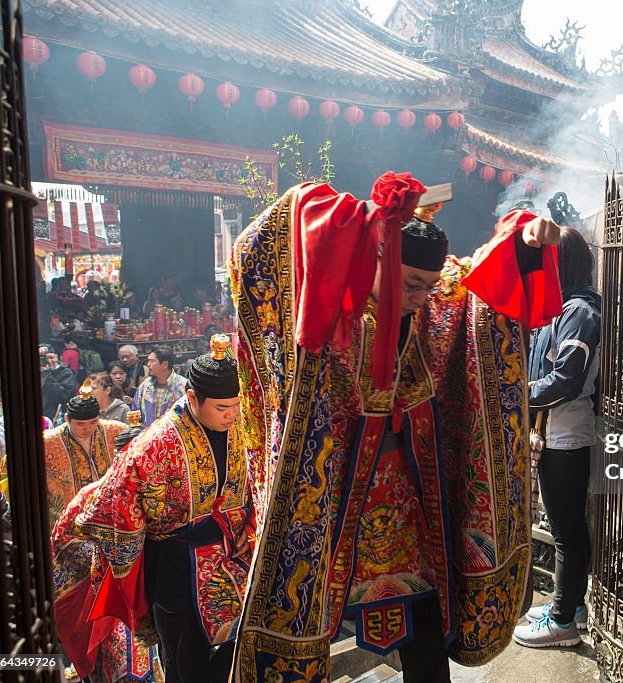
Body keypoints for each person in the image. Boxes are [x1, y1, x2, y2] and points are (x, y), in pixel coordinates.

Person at [230, 174, 562, 681]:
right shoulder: (330, 301)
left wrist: (524, 243)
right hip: (335, 506)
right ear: (378, 257)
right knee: (310, 621)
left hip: (415, 508)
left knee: (426, 649)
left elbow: (481, 285)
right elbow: (259, 249)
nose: (421, 297)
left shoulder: (438, 298)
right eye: (411, 284)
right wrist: (357, 220)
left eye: (428, 287)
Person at [52, 335, 252, 683]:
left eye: (236, 406)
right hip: (176, 569)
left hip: (232, 559)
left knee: (242, 645)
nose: (232, 415)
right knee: (184, 663)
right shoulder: (153, 444)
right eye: (222, 408)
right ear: (193, 398)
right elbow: (111, 504)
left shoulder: (243, 428)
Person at [515, 226, 600, 648]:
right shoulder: (566, 306)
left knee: (565, 530)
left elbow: (566, 379)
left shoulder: (580, 312)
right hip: (558, 433)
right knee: (569, 526)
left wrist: (518, 394)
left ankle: (563, 621)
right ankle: (573, 603)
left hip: (568, 437)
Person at [52, 411, 164, 683]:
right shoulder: (93, 494)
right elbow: (62, 538)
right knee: (118, 664)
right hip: (109, 597)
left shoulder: (162, 493)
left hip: (155, 594)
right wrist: (104, 556)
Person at [40, 380, 126, 523]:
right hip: (67, 519)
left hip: (110, 515)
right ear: (67, 418)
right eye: (80, 424)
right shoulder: (48, 442)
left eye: (94, 422)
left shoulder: (117, 431)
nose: (88, 429)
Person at [132, 346, 187, 425]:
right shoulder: (145, 386)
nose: (148, 364)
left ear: (164, 364)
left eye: (152, 361)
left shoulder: (182, 386)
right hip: (148, 434)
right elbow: (136, 411)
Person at [41, 344, 77, 422]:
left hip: (56, 416)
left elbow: (65, 395)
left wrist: (47, 376)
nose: (49, 361)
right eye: (45, 359)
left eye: (51, 357)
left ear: (57, 357)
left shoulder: (66, 373)